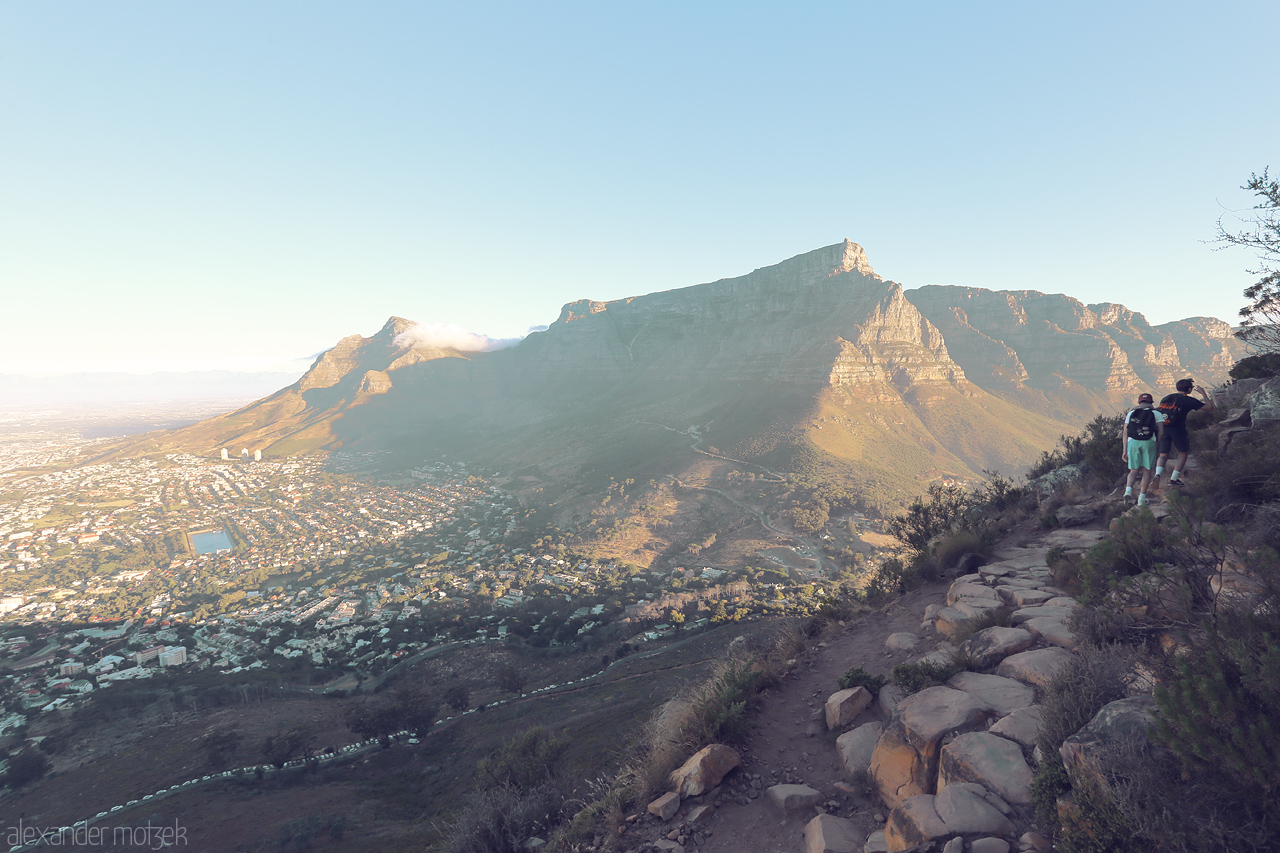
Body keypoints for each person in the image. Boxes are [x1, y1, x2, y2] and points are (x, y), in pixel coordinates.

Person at [1156, 378, 1215, 486]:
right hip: (1178, 430)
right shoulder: (1188, 400)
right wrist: (1203, 394)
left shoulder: (1167, 397)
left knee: (1163, 454)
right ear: (1189, 389)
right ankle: (1173, 479)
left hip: (1163, 428)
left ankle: (1157, 475)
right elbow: (1210, 408)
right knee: (1183, 453)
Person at [1121, 392, 1165, 507]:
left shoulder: (1131, 413)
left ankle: (1128, 491)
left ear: (1139, 402)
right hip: (1149, 442)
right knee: (1147, 470)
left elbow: (1125, 432)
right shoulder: (1156, 413)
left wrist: (1125, 451)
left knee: (1133, 470)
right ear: (1151, 402)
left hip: (1133, 442)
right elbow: (1161, 432)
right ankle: (1141, 499)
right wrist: (1156, 444)